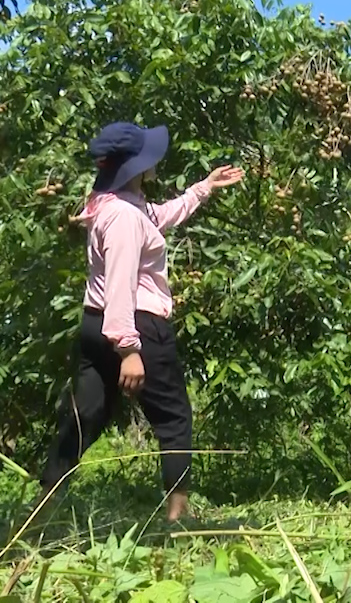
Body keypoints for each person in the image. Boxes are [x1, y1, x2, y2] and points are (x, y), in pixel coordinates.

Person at [39, 122, 243, 521]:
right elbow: (120, 284)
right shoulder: (125, 218)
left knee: (86, 416)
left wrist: (203, 188)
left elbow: (159, 217)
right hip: (135, 326)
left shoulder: (111, 203)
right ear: (136, 166)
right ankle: (177, 517)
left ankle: (41, 509)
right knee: (173, 417)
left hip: (95, 325)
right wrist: (130, 350)